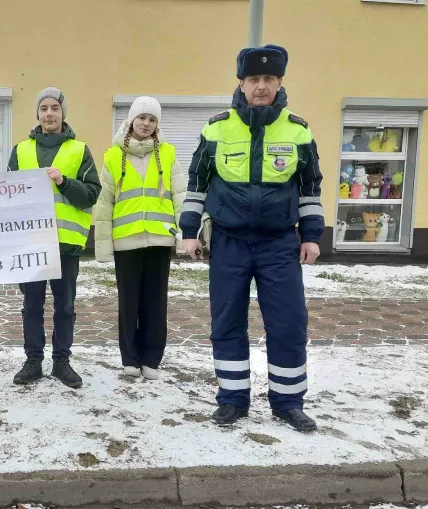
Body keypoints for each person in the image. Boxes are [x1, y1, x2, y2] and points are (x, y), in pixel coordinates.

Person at [179, 45, 324, 432]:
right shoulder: (216, 127)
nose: (261, 86)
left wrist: (310, 236)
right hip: (229, 242)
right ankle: (232, 399)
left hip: (280, 243)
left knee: (289, 323)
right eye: (253, 80)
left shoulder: (298, 129)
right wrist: (190, 231)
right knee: (226, 322)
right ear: (241, 84)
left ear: (279, 83)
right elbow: (197, 183)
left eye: (268, 79)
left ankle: (288, 402)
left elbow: (310, 188)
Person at [7, 87, 100, 388]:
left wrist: (63, 182)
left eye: (55, 108)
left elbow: (91, 195)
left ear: (63, 114)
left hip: (65, 244)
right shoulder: (20, 150)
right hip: (30, 243)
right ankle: (33, 359)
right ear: (37, 113)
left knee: (65, 306)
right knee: (31, 304)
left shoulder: (79, 150)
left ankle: (62, 360)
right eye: (44, 108)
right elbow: (5, 194)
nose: (49, 114)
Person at [94, 96, 186, 380]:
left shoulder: (168, 154)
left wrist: (185, 233)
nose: (146, 124)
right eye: (142, 118)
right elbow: (104, 203)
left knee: (155, 302)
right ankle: (130, 358)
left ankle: (151, 359)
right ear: (131, 120)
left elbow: (180, 196)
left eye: (152, 119)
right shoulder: (113, 156)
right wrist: (103, 244)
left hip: (159, 239)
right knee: (129, 301)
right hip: (126, 240)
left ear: (157, 125)